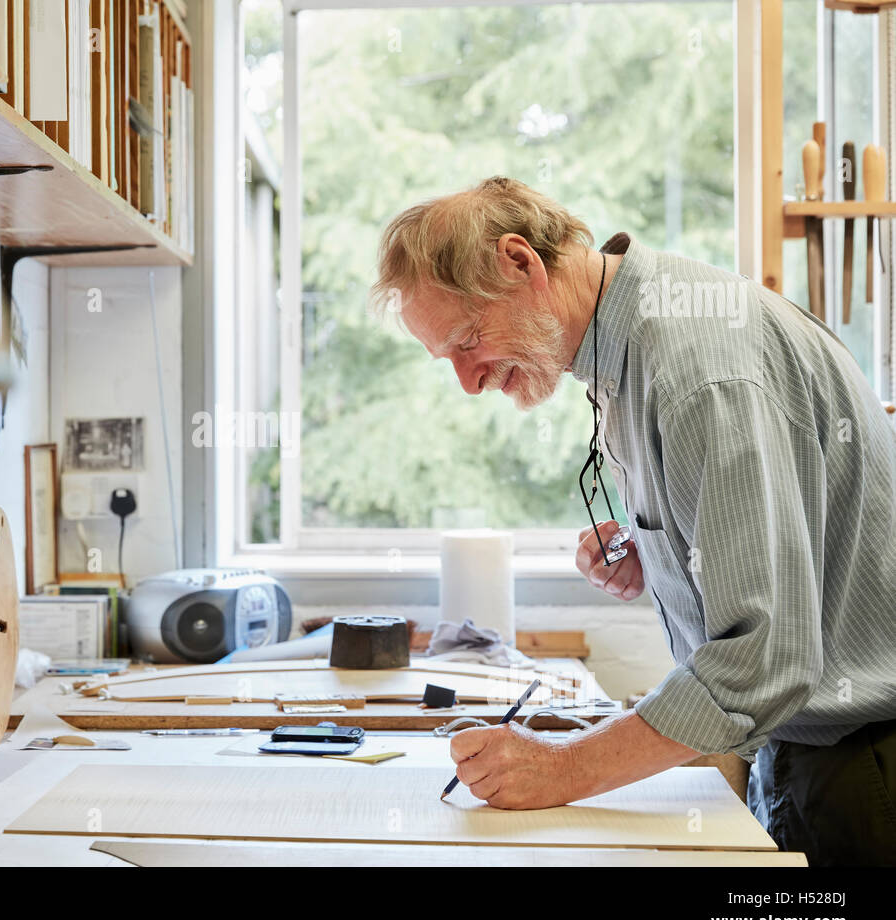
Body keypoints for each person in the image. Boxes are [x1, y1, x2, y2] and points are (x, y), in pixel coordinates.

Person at [372, 176, 896, 865]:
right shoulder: (634, 347)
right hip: (809, 750)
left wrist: (560, 767)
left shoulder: (695, 371)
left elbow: (762, 661)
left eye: (468, 340)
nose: (469, 382)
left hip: (863, 766)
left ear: (521, 262)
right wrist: (661, 551)